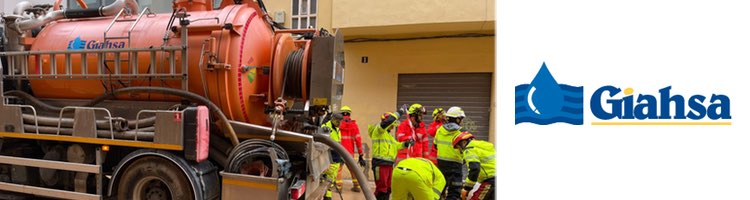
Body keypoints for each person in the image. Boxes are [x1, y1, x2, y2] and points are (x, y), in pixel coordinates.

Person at [369, 111, 415, 200]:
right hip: (380, 164)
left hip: (389, 164)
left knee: (388, 188)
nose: (393, 126)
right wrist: (399, 112)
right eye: (392, 124)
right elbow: (386, 123)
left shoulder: (389, 136)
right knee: (381, 189)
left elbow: (396, 145)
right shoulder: (378, 131)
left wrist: (406, 144)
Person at [434, 106, 466, 200]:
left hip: (441, 164)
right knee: (454, 193)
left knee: (439, 190)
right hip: (455, 166)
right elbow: (467, 149)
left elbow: (436, 145)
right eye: (461, 119)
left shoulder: (440, 130)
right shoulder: (461, 132)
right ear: (457, 119)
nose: (462, 121)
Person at [453, 132, 495, 200]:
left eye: (458, 147)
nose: (459, 150)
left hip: (490, 181)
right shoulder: (484, 147)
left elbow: (474, 169)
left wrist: (467, 188)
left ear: (463, 143)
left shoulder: (469, 150)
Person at [337, 106, 365, 192]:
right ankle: (356, 186)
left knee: (338, 169)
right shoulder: (354, 125)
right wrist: (361, 154)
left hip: (339, 151)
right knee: (353, 169)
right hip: (349, 152)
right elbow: (358, 140)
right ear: (349, 114)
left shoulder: (337, 124)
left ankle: (338, 187)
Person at [322, 112, 344, 200]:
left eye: (340, 122)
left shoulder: (337, 129)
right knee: (327, 181)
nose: (339, 124)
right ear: (333, 119)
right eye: (338, 122)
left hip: (336, 159)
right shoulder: (326, 128)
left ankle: (328, 196)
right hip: (330, 159)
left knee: (331, 181)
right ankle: (327, 197)